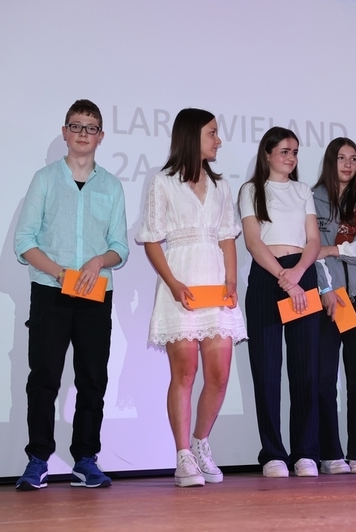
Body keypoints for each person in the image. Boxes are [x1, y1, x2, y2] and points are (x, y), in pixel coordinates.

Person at [14, 99, 129, 490]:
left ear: (101, 136)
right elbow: (24, 241)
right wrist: (60, 272)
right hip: (51, 291)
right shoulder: (45, 179)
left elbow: (121, 247)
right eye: (76, 126)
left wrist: (100, 260)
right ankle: (38, 459)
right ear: (65, 132)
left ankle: (85, 459)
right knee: (44, 378)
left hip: (96, 294)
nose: (83, 134)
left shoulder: (111, 185)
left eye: (90, 127)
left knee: (93, 379)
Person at [136, 108, 247, 487]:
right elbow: (151, 238)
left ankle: (201, 442)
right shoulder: (162, 182)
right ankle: (183, 455)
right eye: (212, 133)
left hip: (216, 288)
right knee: (184, 373)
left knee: (219, 376)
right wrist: (171, 282)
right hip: (180, 286)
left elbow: (227, 236)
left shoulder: (221, 186)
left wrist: (231, 280)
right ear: (191, 135)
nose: (218, 140)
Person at [239, 126, 321, 478]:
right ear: (268, 154)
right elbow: (253, 241)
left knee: (306, 369)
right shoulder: (251, 190)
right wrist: (282, 276)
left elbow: (313, 240)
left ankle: (305, 452)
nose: (291, 158)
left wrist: (298, 272)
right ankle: (273, 453)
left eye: (295, 152)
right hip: (267, 277)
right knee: (267, 371)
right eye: (285, 151)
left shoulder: (303, 191)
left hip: (302, 276)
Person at [313, 138, 356, 475]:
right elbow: (312, 250)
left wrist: (336, 250)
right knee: (325, 378)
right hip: (329, 297)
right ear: (331, 161)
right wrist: (326, 287)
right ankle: (330, 453)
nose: (348, 164)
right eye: (341, 158)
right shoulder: (311, 200)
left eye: (353, 159)